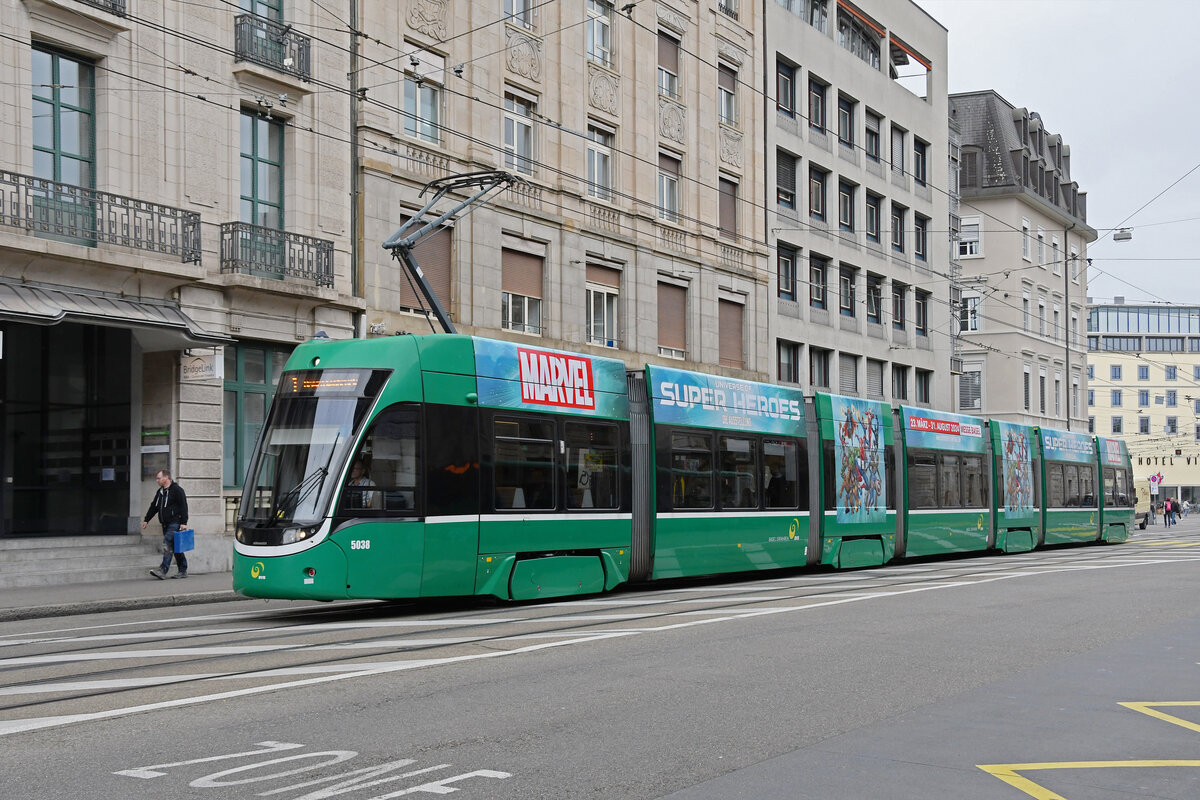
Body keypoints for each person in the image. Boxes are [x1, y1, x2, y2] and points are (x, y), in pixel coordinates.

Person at [143, 468, 189, 579]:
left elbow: (184, 506)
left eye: (158, 478)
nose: (157, 480)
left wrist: (184, 522)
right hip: (165, 523)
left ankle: (162, 570)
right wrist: (146, 520)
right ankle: (183, 570)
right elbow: (154, 507)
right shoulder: (160, 492)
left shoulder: (177, 490)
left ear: (166, 478)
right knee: (175, 547)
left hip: (175, 522)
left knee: (167, 542)